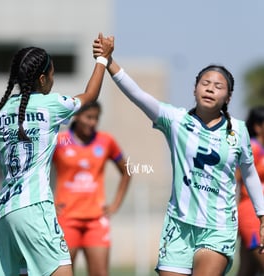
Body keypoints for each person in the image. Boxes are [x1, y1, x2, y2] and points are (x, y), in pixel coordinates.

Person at [93, 35, 264, 275]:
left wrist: (262, 215)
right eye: (205, 83)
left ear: (228, 97)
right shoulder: (175, 121)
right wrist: (109, 61)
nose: (210, 89)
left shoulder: (239, 130)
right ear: (194, 88)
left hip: (218, 227)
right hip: (178, 227)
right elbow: (138, 95)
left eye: (218, 86)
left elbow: (250, 174)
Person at [0, 33, 114, 276]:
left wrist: (0, 208)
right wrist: (102, 59)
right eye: (52, 74)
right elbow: (90, 96)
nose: (53, 79)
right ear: (42, 78)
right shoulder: (50, 105)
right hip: (35, 208)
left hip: (4, 217)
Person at [52, 100, 132, 276]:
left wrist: (115, 204)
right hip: (66, 218)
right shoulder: (59, 140)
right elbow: (38, 172)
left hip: (96, 220)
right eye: (89, 117)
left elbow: (127, 171)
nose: (93, 122)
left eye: (96, 118)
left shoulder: (106, 141)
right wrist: (49, 204)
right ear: (77, 116)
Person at [236, 106, 264, 276]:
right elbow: (235, 177)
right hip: (251, 214)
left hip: (259, 215)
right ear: (258, 126)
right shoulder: (252, 148)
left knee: (246, 271)